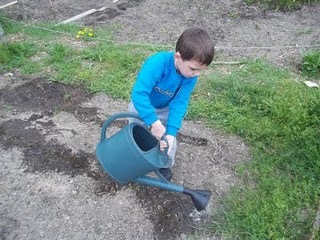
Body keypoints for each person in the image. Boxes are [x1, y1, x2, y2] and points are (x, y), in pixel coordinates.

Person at [128, 27, 215, 180]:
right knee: (136, 133)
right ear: (178, 57)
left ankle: (163, 165)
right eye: (194, 69)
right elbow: (139, 94)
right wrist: (153, 121)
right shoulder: (158, 63)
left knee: (168, 142)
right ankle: (138, 159)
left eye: (201, 70)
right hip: (142, 106)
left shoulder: (190, 77)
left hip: (165, 109)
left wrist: (171, 133)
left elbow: (179, 103)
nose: (197, 74)